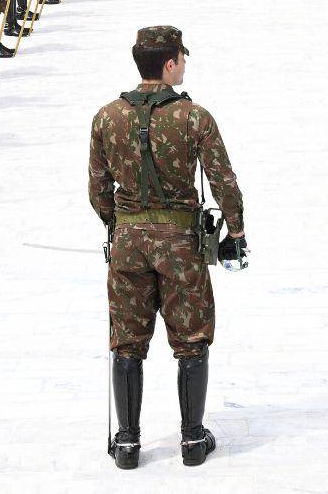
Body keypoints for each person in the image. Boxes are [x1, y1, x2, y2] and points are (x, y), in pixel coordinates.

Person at [88, 26, 248, 470]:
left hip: (128, 243)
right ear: (169, 63)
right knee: (191, 340)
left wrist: (119, 225)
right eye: (181, 57)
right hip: (180, 245)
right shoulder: (194, 116)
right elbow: (223, 180)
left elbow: (97, 188)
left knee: (127, 343)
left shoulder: (106, 117)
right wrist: (235, 231)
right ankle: (193, 441)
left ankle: (126, 443)